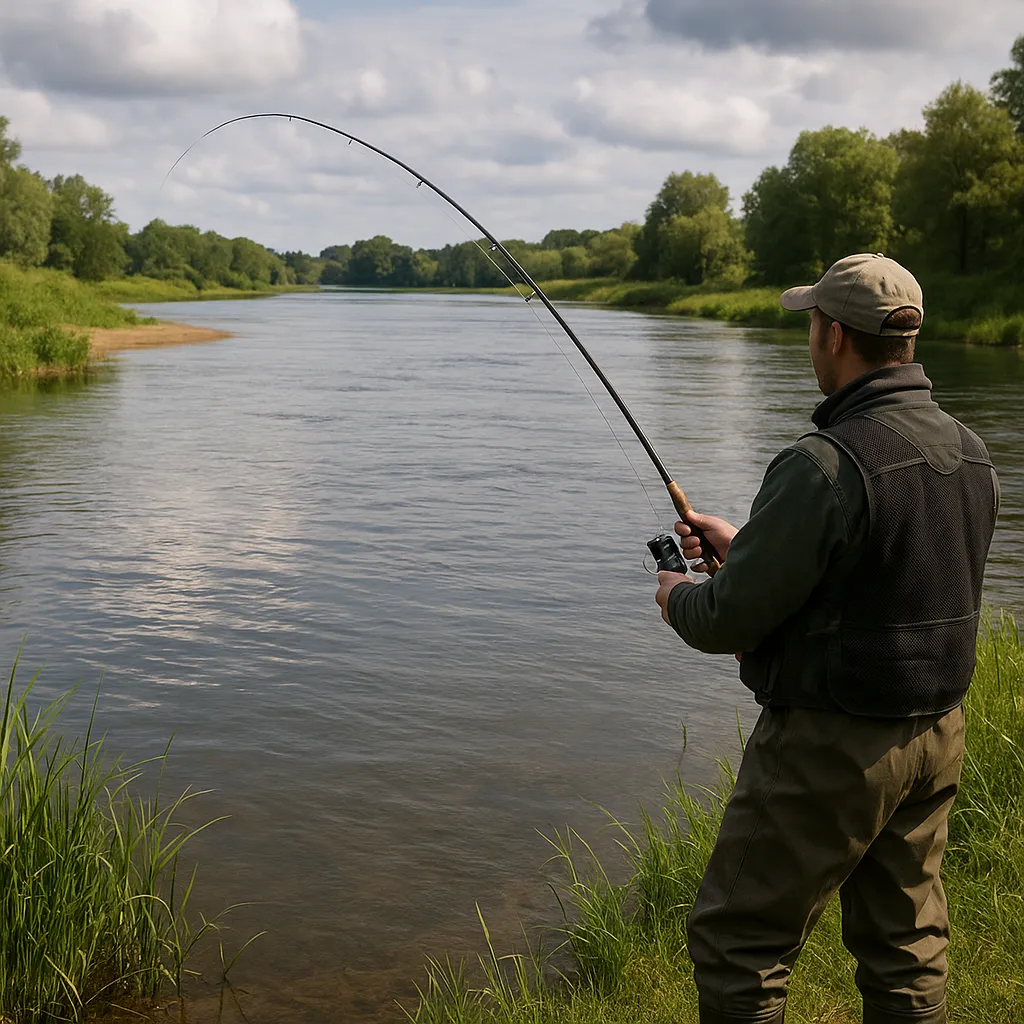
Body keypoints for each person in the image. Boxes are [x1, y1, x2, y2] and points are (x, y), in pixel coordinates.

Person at [653, 253, 999, 1024]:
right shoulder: (973, 454)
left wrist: (679, 597)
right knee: (906, 944)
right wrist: (751, 549)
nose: (810, 338)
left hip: (830, 745)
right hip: (936, 733)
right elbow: (889, 581)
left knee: (740, 943)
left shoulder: (823, 464)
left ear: (834, 336)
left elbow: (726, 620)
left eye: (812, 323)